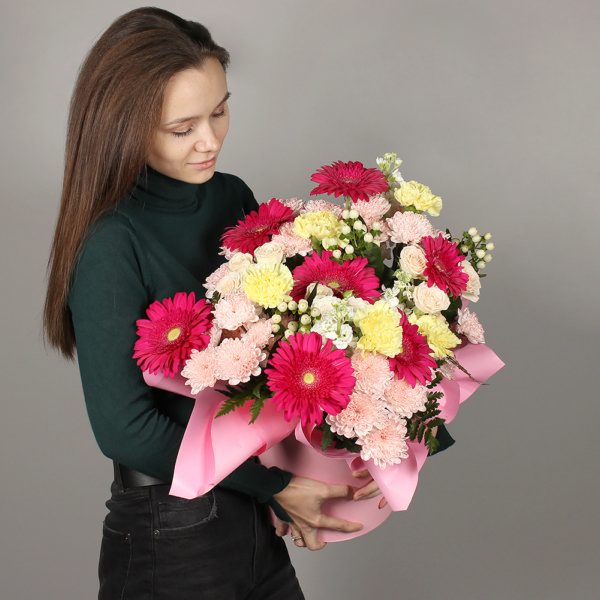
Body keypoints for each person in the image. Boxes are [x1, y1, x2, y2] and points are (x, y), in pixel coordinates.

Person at [44, 7, 383, 599]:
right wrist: (274, 486)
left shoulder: (231, 196)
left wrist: (335, 453)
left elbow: (272, 356)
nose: (210, 141)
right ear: (124, 128)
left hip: (251, 516)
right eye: (183, 129)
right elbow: (125, 429)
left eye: (220, 111)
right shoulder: (111, 242)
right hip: (171, 529)